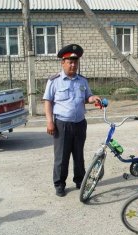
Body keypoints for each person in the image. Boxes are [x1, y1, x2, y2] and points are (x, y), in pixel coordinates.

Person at [43, 44, 101, 197]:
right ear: (63, 62)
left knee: (78, 154)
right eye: (70, 61)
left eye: (75, 62)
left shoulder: (82, 80)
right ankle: (60, 184)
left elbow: (87, 97)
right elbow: (48, 101)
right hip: (62, 124)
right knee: (62, 156)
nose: (73, 65)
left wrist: (93, 98)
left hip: (80, 123)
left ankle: (80, 180)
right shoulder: (54, 81)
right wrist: (49, 121)